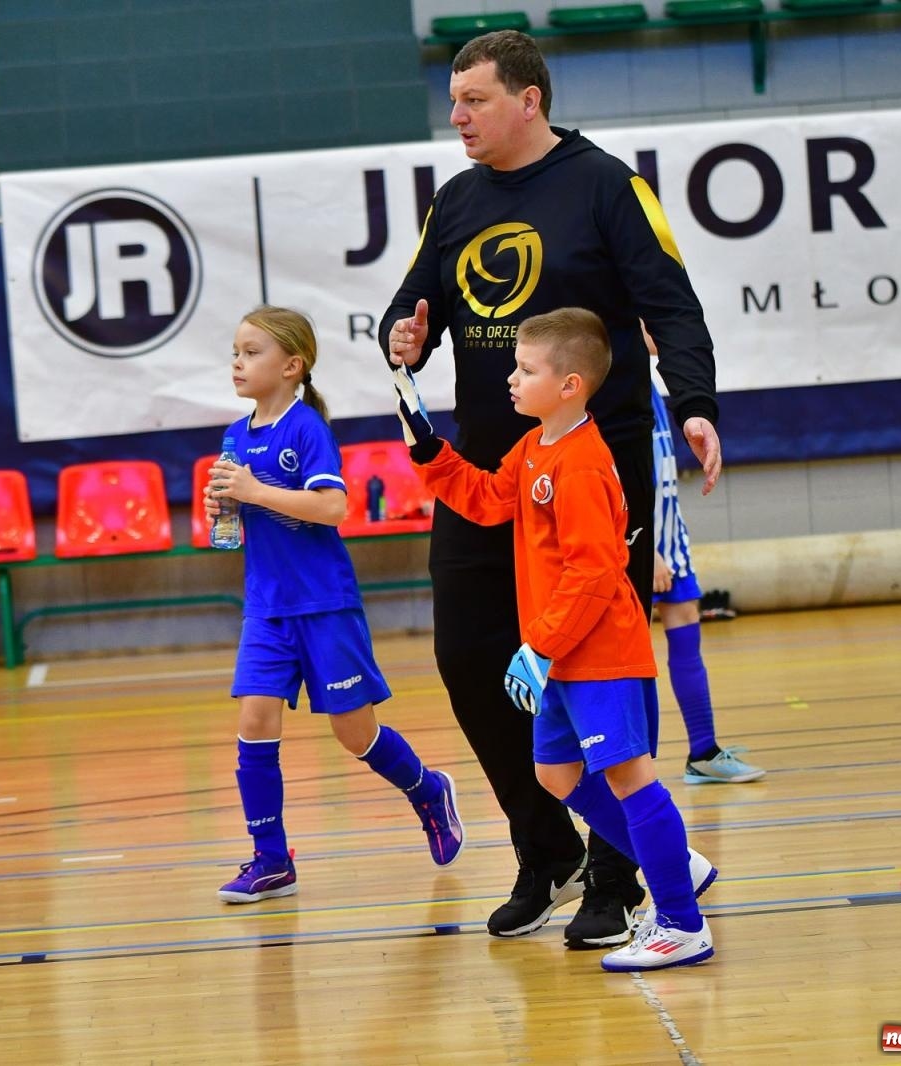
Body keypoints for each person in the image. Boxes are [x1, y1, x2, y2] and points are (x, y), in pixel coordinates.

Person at [380, 28, 722, 947]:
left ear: (528, 100)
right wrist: (402, 339)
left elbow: (672, 302)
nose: (456, 117)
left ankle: (623, 878)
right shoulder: (453, 202)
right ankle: (548, 850)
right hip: (491, 475)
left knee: (594, 667)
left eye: (474, 100)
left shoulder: (609, 184)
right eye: (453, 101)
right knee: (466, 658)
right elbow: (413, 304)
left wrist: (692, 403)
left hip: (586, 469)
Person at [401, 307, 716, 971]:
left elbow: (596, 570)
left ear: (570, 384)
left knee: (628, 775)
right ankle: (672, 858)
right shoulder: (535, 446)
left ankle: (683, 924)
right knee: (556, 772)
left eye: (526, 369)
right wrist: (430, 451)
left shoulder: (581, 464)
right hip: (558, 652)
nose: (511, 379)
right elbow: (488, 500)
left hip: (595, 651)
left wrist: (540, 647)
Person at [205, 306, 464, 902]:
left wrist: (253, 490)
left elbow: (332, 509)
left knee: (356, 735)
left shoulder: (308, 430)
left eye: (252, 352)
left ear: (292, 366)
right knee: (254, 720)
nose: (238, 363)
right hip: (267, 607)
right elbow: (246, 511)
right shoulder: (235, 436)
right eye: (236, 352)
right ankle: (270, 859)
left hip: (324, 605)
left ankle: (426, 789)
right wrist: (227, 509)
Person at [649, 385, 764, 784]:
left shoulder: (647, 384)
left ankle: (704, 751)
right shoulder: (606, 382)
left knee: (685, 625)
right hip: (630, 540)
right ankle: (619, 767)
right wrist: (641, 544)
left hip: (666, 533)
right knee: (618, 654)